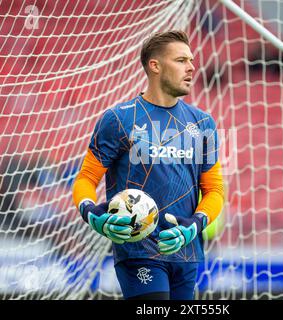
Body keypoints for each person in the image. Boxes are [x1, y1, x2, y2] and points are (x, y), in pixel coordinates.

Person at [72, 30, 224, 300]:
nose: (191, 67)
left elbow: (214, 191)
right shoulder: (118, 119)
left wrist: (195, 224)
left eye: (191, 60)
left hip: (186, 252)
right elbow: (85, 178)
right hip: (137, 251)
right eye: (181, 60)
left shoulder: (204, 124)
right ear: (155, 66)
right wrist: (92, 214)